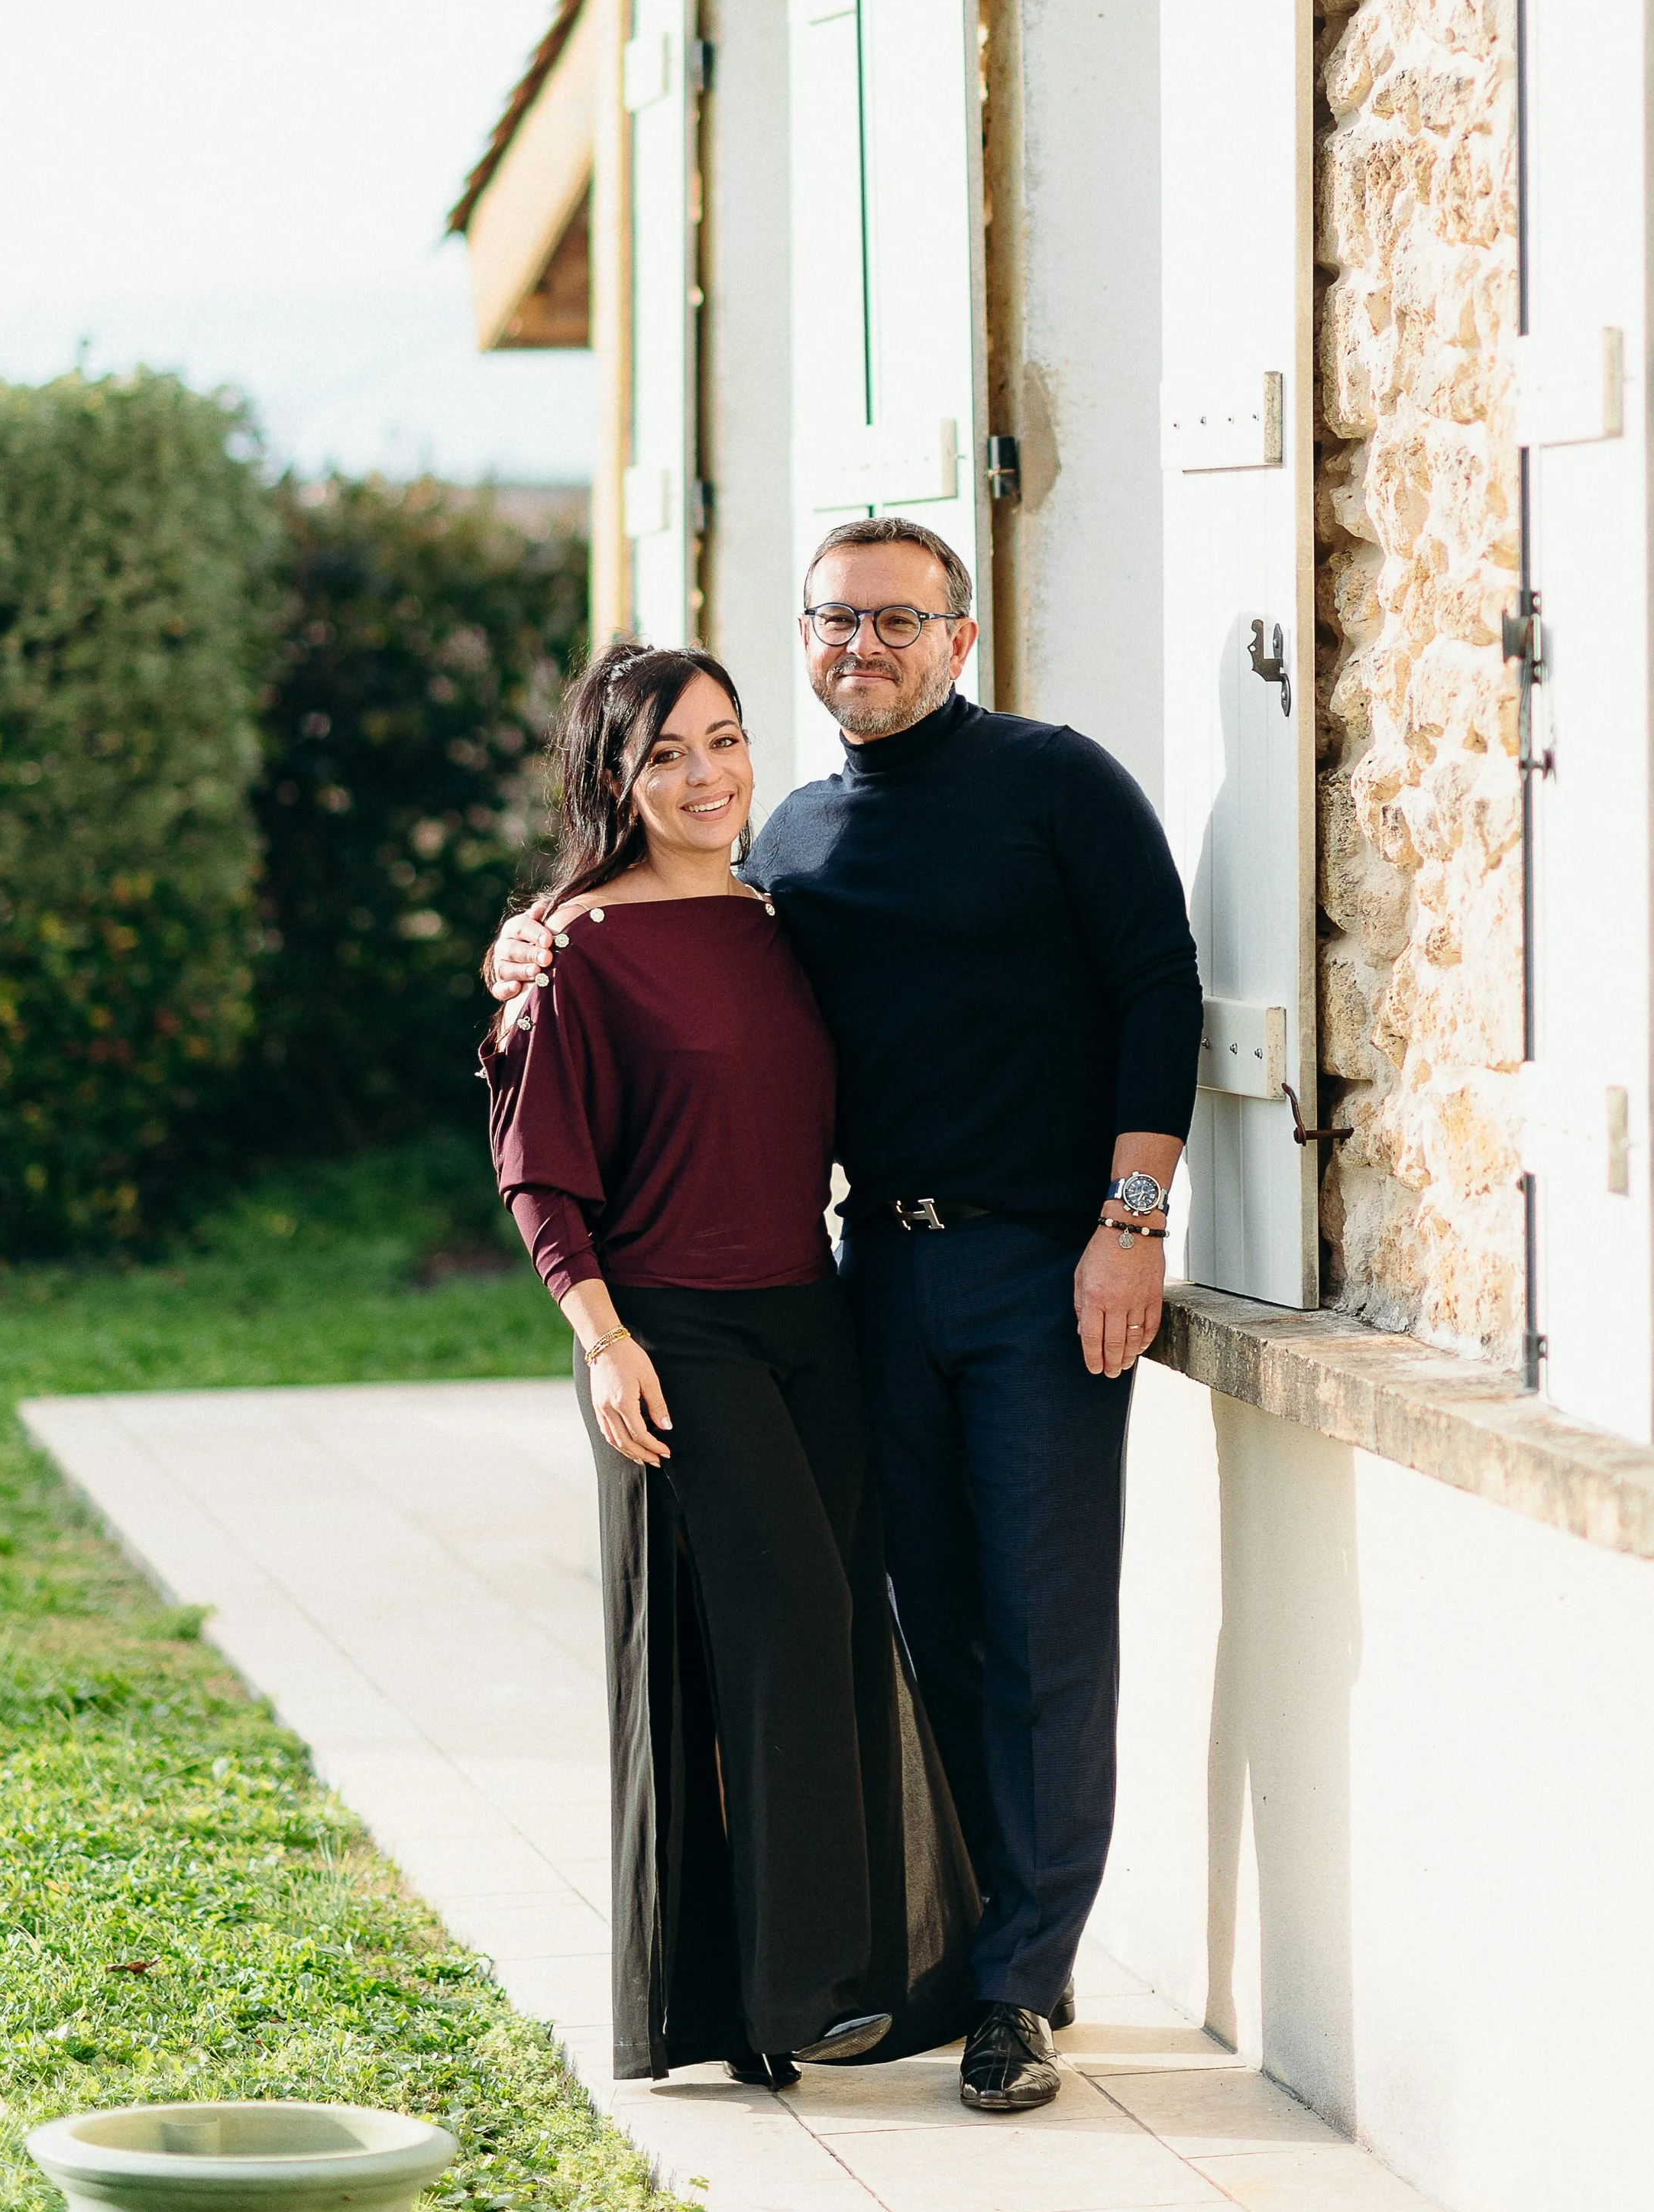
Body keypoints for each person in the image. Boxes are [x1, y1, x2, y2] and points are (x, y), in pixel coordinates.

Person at [493, 521, 1203, 2114]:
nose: (860, 645)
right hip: (866, 1278)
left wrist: (1128, 1225)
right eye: (832, 619)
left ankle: (1018, 1985)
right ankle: (980, 1945)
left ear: (960, 635)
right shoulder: (786, 847)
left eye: (897, 618)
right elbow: (653, 965)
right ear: (803, 635)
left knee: (1040, 1626)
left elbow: (1160, 988)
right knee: (919, 1614)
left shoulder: (1054, 784)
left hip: (1044, 1267)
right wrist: (530, 935)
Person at [482, 639, 976, 2088]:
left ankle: (805, 1981)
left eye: (726, 741)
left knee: (826, 1630)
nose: (707, 776)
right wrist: (604, 1340)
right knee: (782, 1622)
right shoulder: (579, 946)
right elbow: (536, 1167)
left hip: (807, 1316)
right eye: (668, 755)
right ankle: (799, 1987)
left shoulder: (780, 917)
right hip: (675, 1329)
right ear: (614, 782)